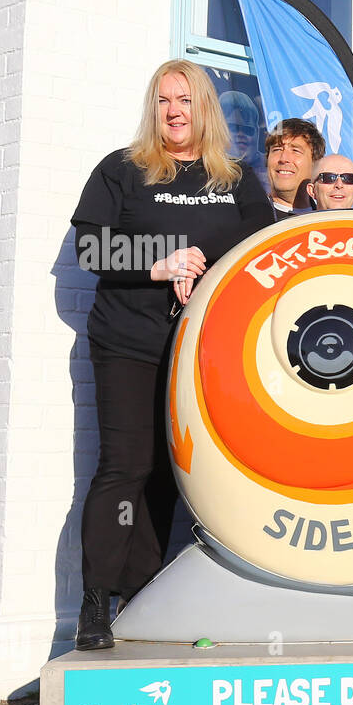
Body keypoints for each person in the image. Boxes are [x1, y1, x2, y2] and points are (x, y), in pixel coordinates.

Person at [70, 59, 274, 650]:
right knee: (124, 467)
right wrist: (160, 262)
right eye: (163, 101)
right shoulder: (123, 170)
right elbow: (90, 245)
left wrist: (201, 264)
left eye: (184, 99)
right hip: (129, 342)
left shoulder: (234, 179)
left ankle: (141, 593)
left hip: (201, 348)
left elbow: (259, 249)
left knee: (168, 472)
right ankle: (94, 601)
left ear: (203, 105)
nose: (174, 111)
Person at [265, 118, 325, 219]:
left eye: (295, 150)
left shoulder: (327, 222)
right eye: (277, 149)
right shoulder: (250, 218)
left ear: (315, 162)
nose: (284, 159)